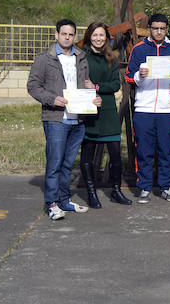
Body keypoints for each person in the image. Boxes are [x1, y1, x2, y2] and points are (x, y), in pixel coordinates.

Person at [27, 19, 101, 220]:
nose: (67, 37)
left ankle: (64, 200)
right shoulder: (44, 59)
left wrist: (93, 95)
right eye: (64, 34)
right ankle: (51, 203)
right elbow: (33, 86)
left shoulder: (81, 58)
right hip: (56, 118)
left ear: (74, 36)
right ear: (56, 35)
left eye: (71, 34)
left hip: (77, 119)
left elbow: (85, 85)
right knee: (55, 162)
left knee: (68, 163)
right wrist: (52, 99)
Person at [125, 13, 170, 204]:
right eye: (155, 28)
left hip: (167, 109)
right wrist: (140, 75)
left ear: (166, 29)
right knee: (143, 150)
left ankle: (166, 187)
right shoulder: (139, 49)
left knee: (166, 150)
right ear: (150, 29)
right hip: (144, 108)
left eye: (162, 28)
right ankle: (144, 187)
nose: (159, 31)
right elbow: (129, 76)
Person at [76, 22, 131, 207]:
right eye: (95, 35)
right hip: (88, 109)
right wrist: (88, 89)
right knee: (88, 154)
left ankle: (116, 190)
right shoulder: (81, 57)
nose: (98, 39)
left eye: (102, 35)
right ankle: (91, 192)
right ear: (89, 36)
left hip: (108, 110)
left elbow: (115, 85)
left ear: (107, 38)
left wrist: (97, 87)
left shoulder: (112, 58)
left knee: (115, 154)